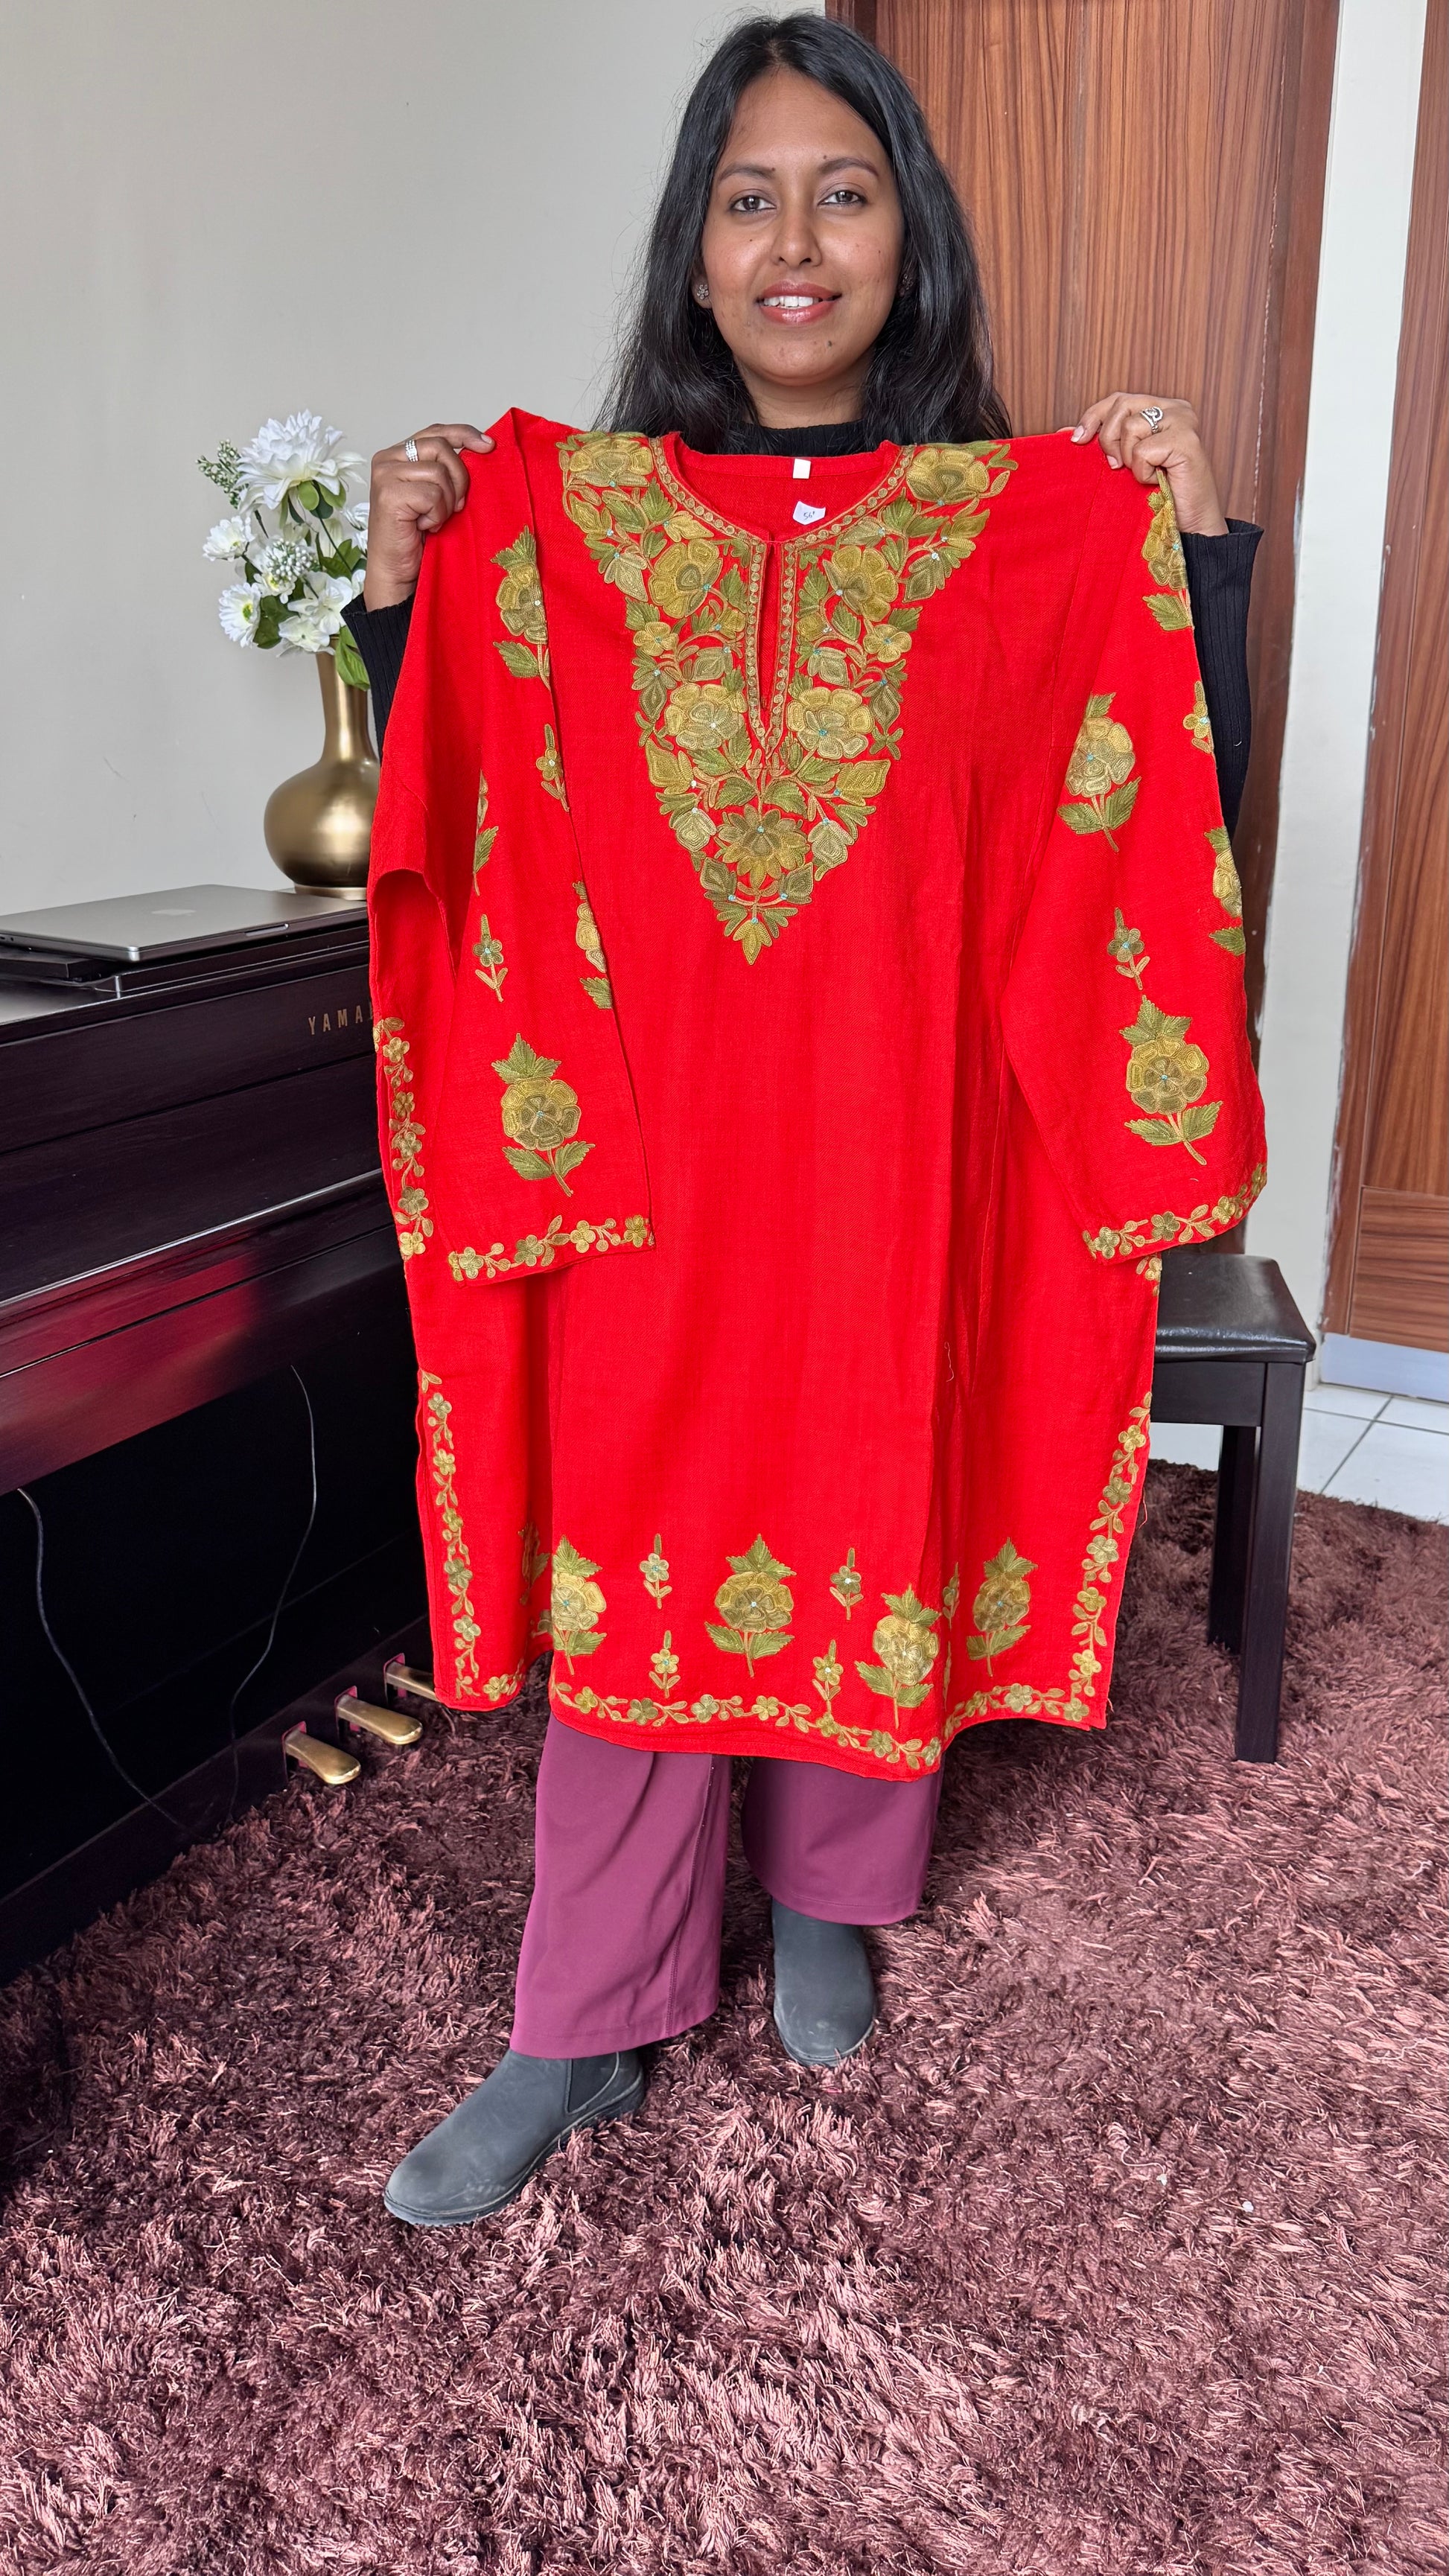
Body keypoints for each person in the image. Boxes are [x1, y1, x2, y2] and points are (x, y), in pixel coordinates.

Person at [345, 13, 1263, 2230]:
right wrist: (399, 586)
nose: (793, 241)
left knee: (877, 1462)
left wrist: (1197, 551)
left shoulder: (1023, 527)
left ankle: (835, 1891)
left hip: (897, 1133)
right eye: (745, 198)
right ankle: (581, 2012)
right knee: (638, 1528)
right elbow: (467, 780)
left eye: (841, 194)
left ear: (906, 240)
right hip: (646, 1146)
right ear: (693, 251)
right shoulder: (569, 524)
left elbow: (1149, 782)